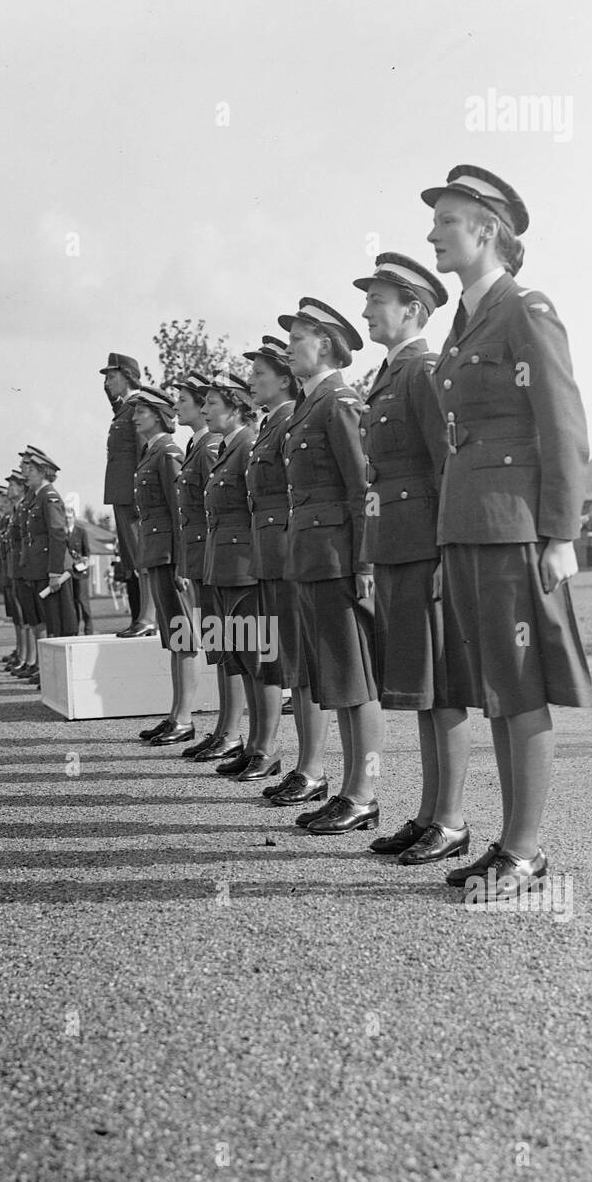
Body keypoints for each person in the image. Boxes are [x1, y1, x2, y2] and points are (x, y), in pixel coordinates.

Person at [421, 163, 592, 903]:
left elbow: (562, 425)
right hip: (468, 525)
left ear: (486, 230)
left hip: (513, 528)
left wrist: (560, 534)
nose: (433, 233)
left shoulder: (525, 308)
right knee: (495, 685)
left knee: (519, 686)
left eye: (446, 222)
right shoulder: (464, 319)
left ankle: (524, 854)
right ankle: (507, 842)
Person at [352, 252, 472, 862]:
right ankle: (429, 813)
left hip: (425, 546)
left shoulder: (423, 370)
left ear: (414, 309)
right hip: (397, 547)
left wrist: (448, 549)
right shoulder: (387, 375)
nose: (367, 310)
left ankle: (450, 820)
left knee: (443, 686)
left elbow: (446, 465)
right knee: (420, 687)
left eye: (377, 301)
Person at [277, 298, 383, 834]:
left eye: (297, 339)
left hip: (340, 560)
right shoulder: (308, 405)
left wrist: (365, 564)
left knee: (355, 680)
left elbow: (362, 489)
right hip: (313, 557)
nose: (289, 349)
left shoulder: (339, 402)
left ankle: (363, 794)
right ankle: (349, 791)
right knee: (337, 681)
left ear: (324, 343)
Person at [242, 336, 324, 798]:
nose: (253, 382)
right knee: (284, 661)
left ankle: (310, 768)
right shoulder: (273, 424)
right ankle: (296, 762)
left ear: (283, 380)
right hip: (271, 553)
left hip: (291, 551)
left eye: (260, 374)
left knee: (303, 666)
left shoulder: (291, 419)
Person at [167, 371, 232, 760]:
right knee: (219, 644)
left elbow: (214, 513)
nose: (180, 406)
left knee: (229, 644)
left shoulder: (210, 447)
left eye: (188, 401)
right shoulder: (199, 445)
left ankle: (231, 730)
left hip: (214, 556)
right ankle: (225, 728)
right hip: (201, 557)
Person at [199, 374, 261, 774]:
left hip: (244, 567)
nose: (205, 411)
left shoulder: (247, 445)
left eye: (212, 404)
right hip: (224, 564)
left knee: (256, 657)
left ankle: (262, 747)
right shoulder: (228, 447)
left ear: (235, 407)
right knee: (236, 655)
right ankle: (252, 743)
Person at [131, 386, 199, 746]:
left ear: (158, 415)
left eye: (141, 411)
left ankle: (185, 717)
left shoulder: (167, 452)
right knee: (173, 637)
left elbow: (179, 513)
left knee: (183, 636)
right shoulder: (151, 452)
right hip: (157, 553)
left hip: (171, 555)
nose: (135, 417)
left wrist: (182, 563)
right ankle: (176, 713)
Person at [100, 353, 157, 637]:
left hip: (132, 495)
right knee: (135, 561)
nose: (108, 382)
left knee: (143, 558)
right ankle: (142, 616)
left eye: (112, 376)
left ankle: (149, 616)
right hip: (121, 495)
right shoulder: (125, 409)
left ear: (127, 376)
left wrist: (139, 494)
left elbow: (142, 453)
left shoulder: (137, 407)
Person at [23, 446, 78, 650]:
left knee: (60, 626)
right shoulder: (39, 497)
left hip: (53, 570)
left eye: (31, 470)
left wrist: (55, 571)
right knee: (51, 624)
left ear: (44, 472)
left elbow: (57, 533)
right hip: (42, 569)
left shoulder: (49, 497)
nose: (26, 475)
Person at [5, 465, 39, 680]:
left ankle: (33, 660)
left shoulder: (27, 506)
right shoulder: (19, 510)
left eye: (11, 486)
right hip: (16, 569)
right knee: (22, 618)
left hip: (27, 568)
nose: (8, 491)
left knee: (32, 618)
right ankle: (28, 658)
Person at [0, 483, 23, 665]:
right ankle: (21, 651)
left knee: (22, 616)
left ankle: (26, 654)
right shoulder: (3, 520)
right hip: (7, 571)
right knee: (16, 615)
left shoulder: (14, 518)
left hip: (15, 570)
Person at [65, 506, 94, 634]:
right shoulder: (62, 533)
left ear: (74, 518)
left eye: (70, 517)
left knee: (84, 603)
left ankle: (89, 630)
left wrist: (83, 561)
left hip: (81, 572)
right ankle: (74, 630)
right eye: (65, 518)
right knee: (72, 603)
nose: (68, 520)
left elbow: (86, 551)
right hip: (69, 573)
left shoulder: (81, 532)